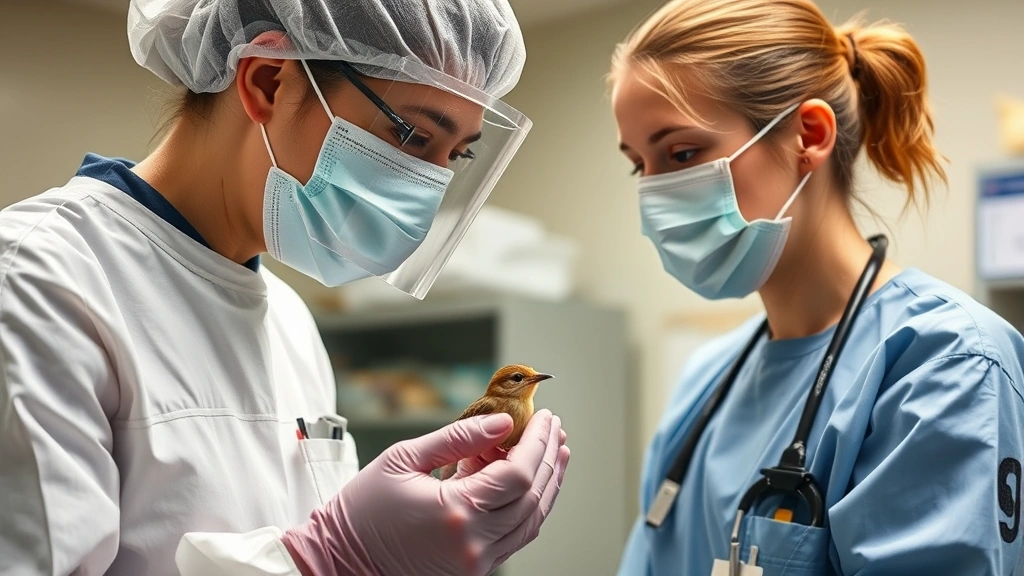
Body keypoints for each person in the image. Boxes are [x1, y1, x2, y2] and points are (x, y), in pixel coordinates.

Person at [0, 1, 570, 575]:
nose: (428, 186)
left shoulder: (291, 322)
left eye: (457, 155)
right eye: (414, 136)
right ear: (268, 81)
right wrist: (330, 557)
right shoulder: (36, 278)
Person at [609, 0, 1024, 574]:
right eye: (639, 165)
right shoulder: (704, 383)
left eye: (681, 153)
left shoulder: (942, 362)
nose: (655, 194)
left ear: (809, 134)